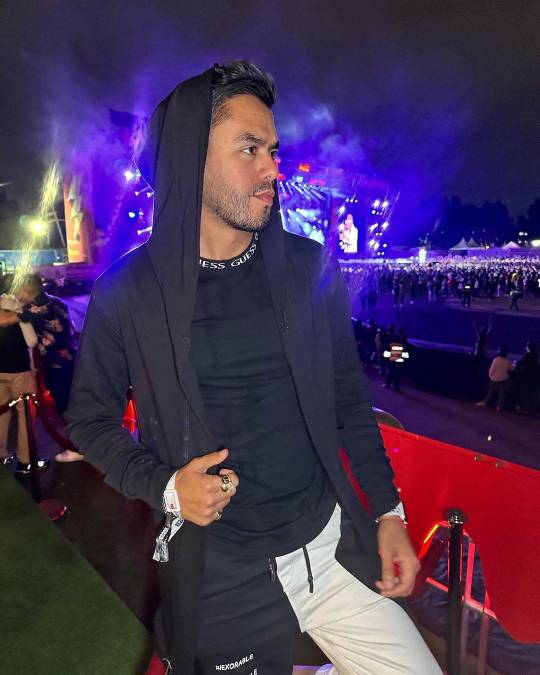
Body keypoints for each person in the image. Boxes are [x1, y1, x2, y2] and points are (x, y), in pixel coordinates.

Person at [65, 62, 441, 674]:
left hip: (330, 548)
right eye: (250, 148)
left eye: (273, 149)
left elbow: (349, 402)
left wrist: (388, 512)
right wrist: (166, 486)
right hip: (222, 576)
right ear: (191, 159)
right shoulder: (129, 292)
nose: (273, 168)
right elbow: (89, 420)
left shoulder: (309, 268)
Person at [15, 274, 83, 463]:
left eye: (19, 290)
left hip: (56, 364)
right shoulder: (56, 301)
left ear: (28, 290)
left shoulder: (32, 309)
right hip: (72, 359)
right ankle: (83, 445)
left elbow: (13, 318)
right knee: (74, 403)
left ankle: (78, 448)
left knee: (65, 407)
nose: (18, 294)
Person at [0, 275, 49, 473]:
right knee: (25, 414)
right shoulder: (19, 310)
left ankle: (1, 454)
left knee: (2, 413)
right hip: (19, 369)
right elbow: (31, 341)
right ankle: (25, 460)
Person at [476, 346, 513, 411]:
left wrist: (491, 376)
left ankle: (484, 402)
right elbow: (512, 369)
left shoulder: (495, 360)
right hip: (504, 379)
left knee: (491, 392)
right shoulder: (507, 361)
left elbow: (491, 370)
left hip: (494, 378)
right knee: (501, 393)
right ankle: (499, 406)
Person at [512, 342, 540, 415]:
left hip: (526, 378)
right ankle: (529, 410)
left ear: (528, 347)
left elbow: (519, 364)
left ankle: (522, 409)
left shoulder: (527, 355)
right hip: (534, 378)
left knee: (524, 393)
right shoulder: (536, 356)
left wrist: (515, 364)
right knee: (531, 394)